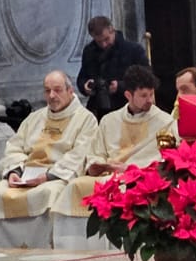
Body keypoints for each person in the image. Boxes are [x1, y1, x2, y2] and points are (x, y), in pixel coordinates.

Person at [49, 66, 174, 240]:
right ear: (128, 96)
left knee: (120, 189)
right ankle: (74, 244)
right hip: (109, 173)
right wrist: (101, 165)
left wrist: (131, 168)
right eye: (143, 96)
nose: (150, 101)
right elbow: (95, 153)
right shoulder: (109, 120)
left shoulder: (165, 122)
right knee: (73, 187)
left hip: (138, 177)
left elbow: (166, 158)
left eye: (151, 94)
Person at [0, 71, 96, 249]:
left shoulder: (86, 120)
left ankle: (44, 254)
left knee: (49, 195)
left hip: (56, 177)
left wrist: (47, 176)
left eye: (57, 90)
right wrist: (15, 171)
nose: (52, 96)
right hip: (26, 175)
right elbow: (15, 147)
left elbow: (80, 154)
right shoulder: (35, 118)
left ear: (70, 91)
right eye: (47, 91)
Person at [73, 16, 148, 120]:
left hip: (128, 108)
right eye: (99, 41)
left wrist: (120, 86)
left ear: (112, 30)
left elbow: (146, 79)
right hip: (98, 109)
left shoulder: (134, 50)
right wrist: (85, 87)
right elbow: (82, 78)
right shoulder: (89, 52)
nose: (104, 44)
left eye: (106, 39)